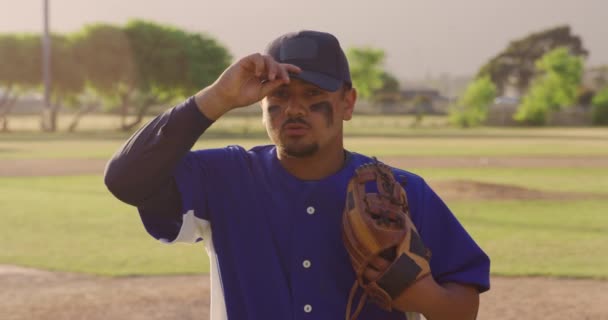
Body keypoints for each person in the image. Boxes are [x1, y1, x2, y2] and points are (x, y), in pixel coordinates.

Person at [104, 30, 490, 320]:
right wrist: (217, 98)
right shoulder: (223, 178)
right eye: (280, 96)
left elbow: (463, 306)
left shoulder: (400, 191)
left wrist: (419, 295)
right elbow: (126, 179)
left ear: (348, 103)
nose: (294, 109)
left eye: (312, 95)